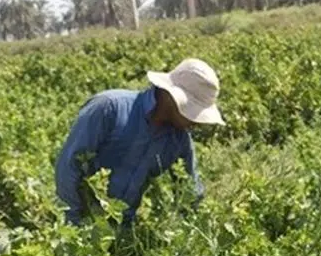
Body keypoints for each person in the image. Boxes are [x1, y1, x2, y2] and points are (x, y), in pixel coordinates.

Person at [55, 58, 224, 227]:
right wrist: (76, 224)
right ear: (170, 96)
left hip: (123, 231)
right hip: (79, 223)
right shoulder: (109, 108)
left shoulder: (179, 141)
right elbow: (68, 169)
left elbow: (191, 192)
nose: (198, 122)